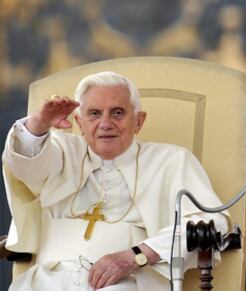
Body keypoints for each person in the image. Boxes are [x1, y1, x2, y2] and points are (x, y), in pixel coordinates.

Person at [2, 71, 229, 290]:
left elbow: (211, 225)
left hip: (132, 280)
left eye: (118, 112)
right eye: (94, 113)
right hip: (48, 280)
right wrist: (39, 125)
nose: (106, 123)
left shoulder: (172, 160)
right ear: (79, 123)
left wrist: (136, 256)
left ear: (139, 121)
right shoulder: (60, 150)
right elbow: (25, 165)